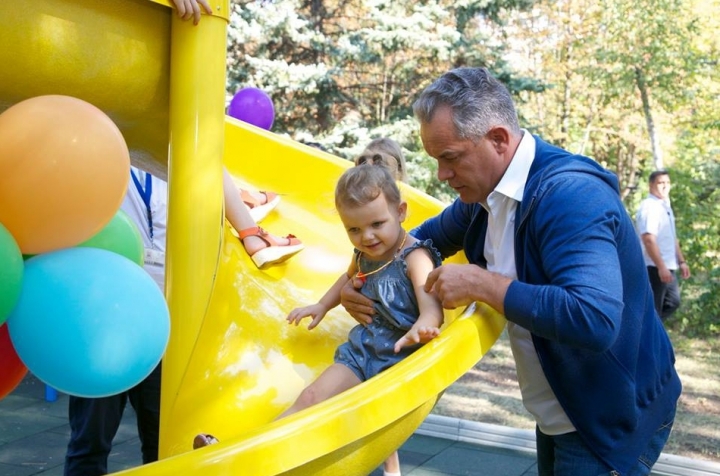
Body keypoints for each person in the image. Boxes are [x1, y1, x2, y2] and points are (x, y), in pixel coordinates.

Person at [340, 67, 682, 476]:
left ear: (498, 139)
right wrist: (356, 281)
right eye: (435, 160)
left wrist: (484, 284)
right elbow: (412, 241)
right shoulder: (483, 195)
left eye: (450, 158)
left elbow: (595, 317)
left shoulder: (571, 197)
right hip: (563, 408)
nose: (441, 176)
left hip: (609, 416)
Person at [194, 165, 445, 476]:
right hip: (363, 352)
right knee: (311, 398)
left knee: (356, 432)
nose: (366, 236)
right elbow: (347, 277)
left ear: (401, 211)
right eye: (354, 229)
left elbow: (431, 308)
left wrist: (424, 326)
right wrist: (322, 305)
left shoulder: (415, 258)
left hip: (399, 362)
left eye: (377, 224)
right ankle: (236, 461)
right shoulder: (363, 253)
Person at [63, 165, 299, 475]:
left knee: (164, 445)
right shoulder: (102, 156)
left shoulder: (183, 157)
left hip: (165, 324)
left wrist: (250, 225)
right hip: (104, 321)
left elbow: (217, 174)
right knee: (90, 441)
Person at [635, 170, 691, 320]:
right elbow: (648, 239)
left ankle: (652, 335)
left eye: (667, 183)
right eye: (660, 183)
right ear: (651, 185)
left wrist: (682, 261)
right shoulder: (649, 207)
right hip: (654, 267)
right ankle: (648, 340)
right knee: (654, 309)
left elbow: (672, 238)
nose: (665, 186)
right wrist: (661, 267)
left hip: (668, 265)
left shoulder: (664, 206)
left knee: (673, 302)